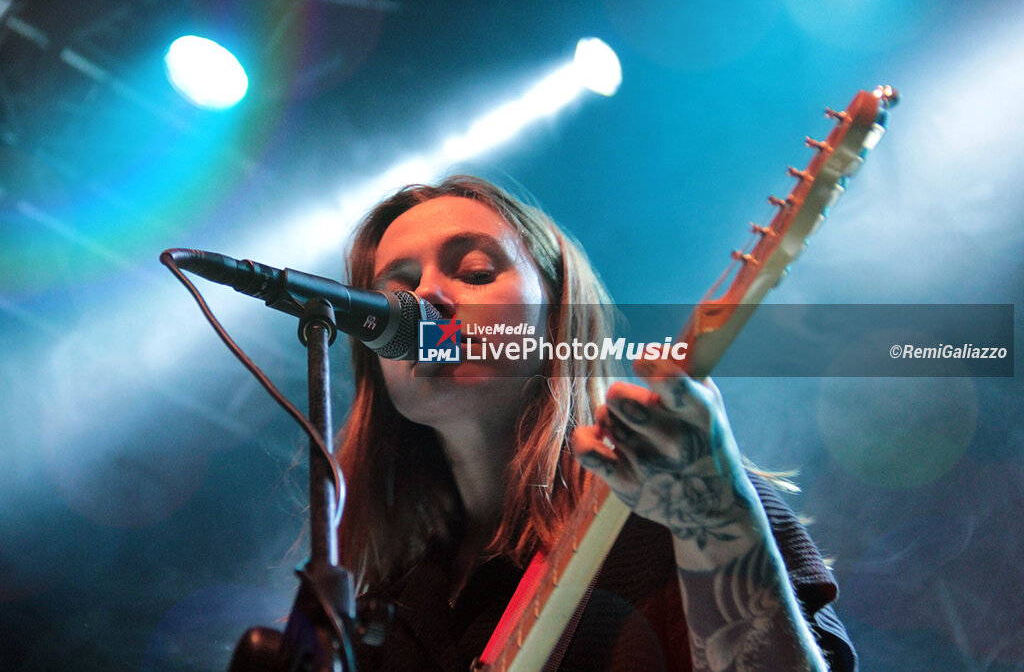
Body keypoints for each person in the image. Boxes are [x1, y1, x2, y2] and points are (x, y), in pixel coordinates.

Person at [336, 175, 856, 671]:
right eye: (397, 294)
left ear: (558, 313)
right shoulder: (384, 618)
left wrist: (717, 511)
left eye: (475, 273)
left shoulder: (682, 513)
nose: (425, 298)